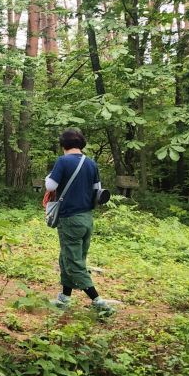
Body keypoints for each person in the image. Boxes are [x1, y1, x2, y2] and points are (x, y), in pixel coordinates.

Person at [45, 128, 117, 315]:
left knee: (73, 262)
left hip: (70, 219)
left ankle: (99, 302)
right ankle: (64, 298)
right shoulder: (91, 163)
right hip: (87, 218)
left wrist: (49, 177)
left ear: (64, 145)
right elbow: (98, 191)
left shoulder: (63, 161)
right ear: (81, 144)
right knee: (69, 258)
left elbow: (50, 186)